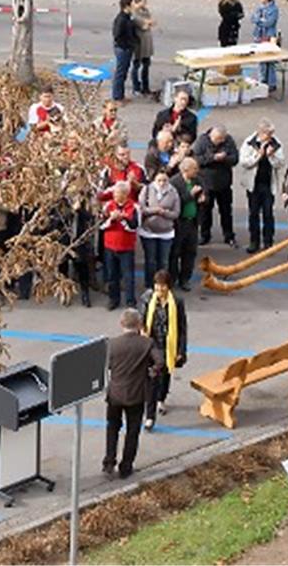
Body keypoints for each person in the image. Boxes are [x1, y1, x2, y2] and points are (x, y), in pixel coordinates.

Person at [102, 307, 163, 480]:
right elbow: (160, 362)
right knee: (132, 430)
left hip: (115, 394)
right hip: (136, 395)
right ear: (140, 324)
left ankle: (109, 461)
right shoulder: (147, 343)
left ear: (121, 324)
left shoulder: (112, 344)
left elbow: (105, 365)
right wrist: (152, 372)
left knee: (112, 427)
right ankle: (126, 466)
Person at [141, 271, 186, 430]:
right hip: (152, 345)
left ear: (168, 286)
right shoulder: (147, 298)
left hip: (169, 344)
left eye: (162, 286)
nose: (159, 289)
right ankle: (150, 416)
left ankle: (162, 399)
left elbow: (181, 327)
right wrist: (142, 331)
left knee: (165, 375)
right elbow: (142, 318)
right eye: (157, 285)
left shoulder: (177, 302)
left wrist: (181, 349)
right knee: (152, 379)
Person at [237, 119, 285, 253]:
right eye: (267, 133)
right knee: (253, 213)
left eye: (271, 133)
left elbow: (281, 163)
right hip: (253, 185)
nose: (270, 136)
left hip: (268, 185)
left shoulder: (276, 144)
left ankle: (268, 241)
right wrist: (258, 156)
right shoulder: (249, 143)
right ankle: (254, 241)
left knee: (268, 213)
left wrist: (271, 156)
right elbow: (244, 162)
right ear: (260, 132)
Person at [191, 125, 239, 247]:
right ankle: (205, 235)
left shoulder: (228, 141)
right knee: (205, 211)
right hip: (206, 183)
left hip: (224, 183)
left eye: (222, 139)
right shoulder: (202, 141)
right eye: (218, 139)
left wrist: (225, 158)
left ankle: (229, 236)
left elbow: (235, 159)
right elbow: (196, 160)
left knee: (226, 211)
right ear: (211, 136)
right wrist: (212, 158)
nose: (220, 141)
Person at [137, 171, 180, 291]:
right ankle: (150, 285)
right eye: (159, 180)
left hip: (166, 233)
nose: (162, 183)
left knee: (164, 262)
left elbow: (176, 213)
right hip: (149, 232)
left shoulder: (173, 192)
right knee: (150, 260)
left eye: (164, 180)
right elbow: (142, 208)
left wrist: (164, 213)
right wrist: (155, 210)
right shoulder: (147, 190)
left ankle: (163, 284)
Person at [101, 181, 139, 310]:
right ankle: (113, 299)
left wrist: (123, 219)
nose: (115, 195)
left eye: (118, 193)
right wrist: (111, 219)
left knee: (128, 276)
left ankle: (130, 300)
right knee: (112, 275)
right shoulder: (108, 206)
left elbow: (134, 226)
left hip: (126, 247)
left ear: (125, 194)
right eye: (114, 193)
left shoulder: (134, 207)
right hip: (110, 246)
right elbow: (101, 225)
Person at [168, 158, 203, 292]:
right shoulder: (175, 183)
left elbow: (205, 190)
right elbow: (174, 202)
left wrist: (203, 197)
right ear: (185, 170)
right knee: (175, 252)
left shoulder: (197, 180)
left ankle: (185, 279)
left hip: (192, 222)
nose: (197, 171)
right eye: (194, 169)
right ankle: (172, 278)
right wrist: (190, 195)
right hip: (179, 223)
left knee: (190, 252)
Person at [111, 0, 138, 102]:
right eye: (132, 5)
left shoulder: (127, 17)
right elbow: (117, 35)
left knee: (123, 72)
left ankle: (120, 95)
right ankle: (117, 96)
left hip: (127, 48)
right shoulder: (121, 19)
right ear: (127, 6)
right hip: (123, 49)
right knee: (120, 72)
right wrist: (126, 44)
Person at [130, 0, 155, 99]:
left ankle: (146, 87)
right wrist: (147, 23)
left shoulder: (145, 11)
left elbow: (152, 22)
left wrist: (148, 23)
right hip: (139, 44)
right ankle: (136, 87)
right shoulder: (134, 13)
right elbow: (144, 26)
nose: (145, 2)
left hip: (147, 44)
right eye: (143, 0)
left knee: (146, 66)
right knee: (136, 66)